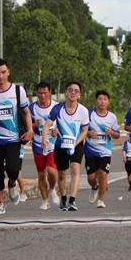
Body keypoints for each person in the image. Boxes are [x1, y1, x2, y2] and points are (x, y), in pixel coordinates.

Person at [0, 58, 33, 215]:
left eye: (3, 72)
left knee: (13, 168)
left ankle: (12, 183)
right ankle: (0, 203)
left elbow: (26, 112)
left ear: (8, 72)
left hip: (13, 138)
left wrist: (29, 129)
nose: (0, 76)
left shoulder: (18, 91)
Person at [42, 81, 89, 211]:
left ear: (79, 95)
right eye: (70, 90)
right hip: (61, 145)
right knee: (62, 174)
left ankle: (72, 200)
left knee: (75, 169)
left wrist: (76, 143)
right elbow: (47, 125)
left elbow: (85, 130)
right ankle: (63, 198)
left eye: (76, 91)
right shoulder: (58, 109)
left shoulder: (83, 111)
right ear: (66, 93)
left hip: (77, 144)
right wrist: (45, 137)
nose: (73, 93)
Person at [84, 90, 120, 209]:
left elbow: (117, 135)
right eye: (100, 99)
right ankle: (94, 187)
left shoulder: (112, 117)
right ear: (96, 101)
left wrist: (111, 132)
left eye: (105, 99)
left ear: (108, 102)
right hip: (90, 150)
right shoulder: (88, 114)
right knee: (91, 178)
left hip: (105, 150)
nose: (102, 102)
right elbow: (80, 130)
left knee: (103, 174)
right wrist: (88, 133)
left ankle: (101, 199)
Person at [29, 82, 59, 211]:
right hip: (38, 143)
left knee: (52, 171)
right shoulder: (31, 108)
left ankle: (52, 189)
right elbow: (26, 126)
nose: (43, 95)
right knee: (41, 174)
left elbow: (63, 124)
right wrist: (34, 125)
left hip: (53, 143)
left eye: (45, 93)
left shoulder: (56, 107)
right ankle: (45, 201)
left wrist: (56, 131)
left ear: (50, 93)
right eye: (40, 93)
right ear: (36, 93)